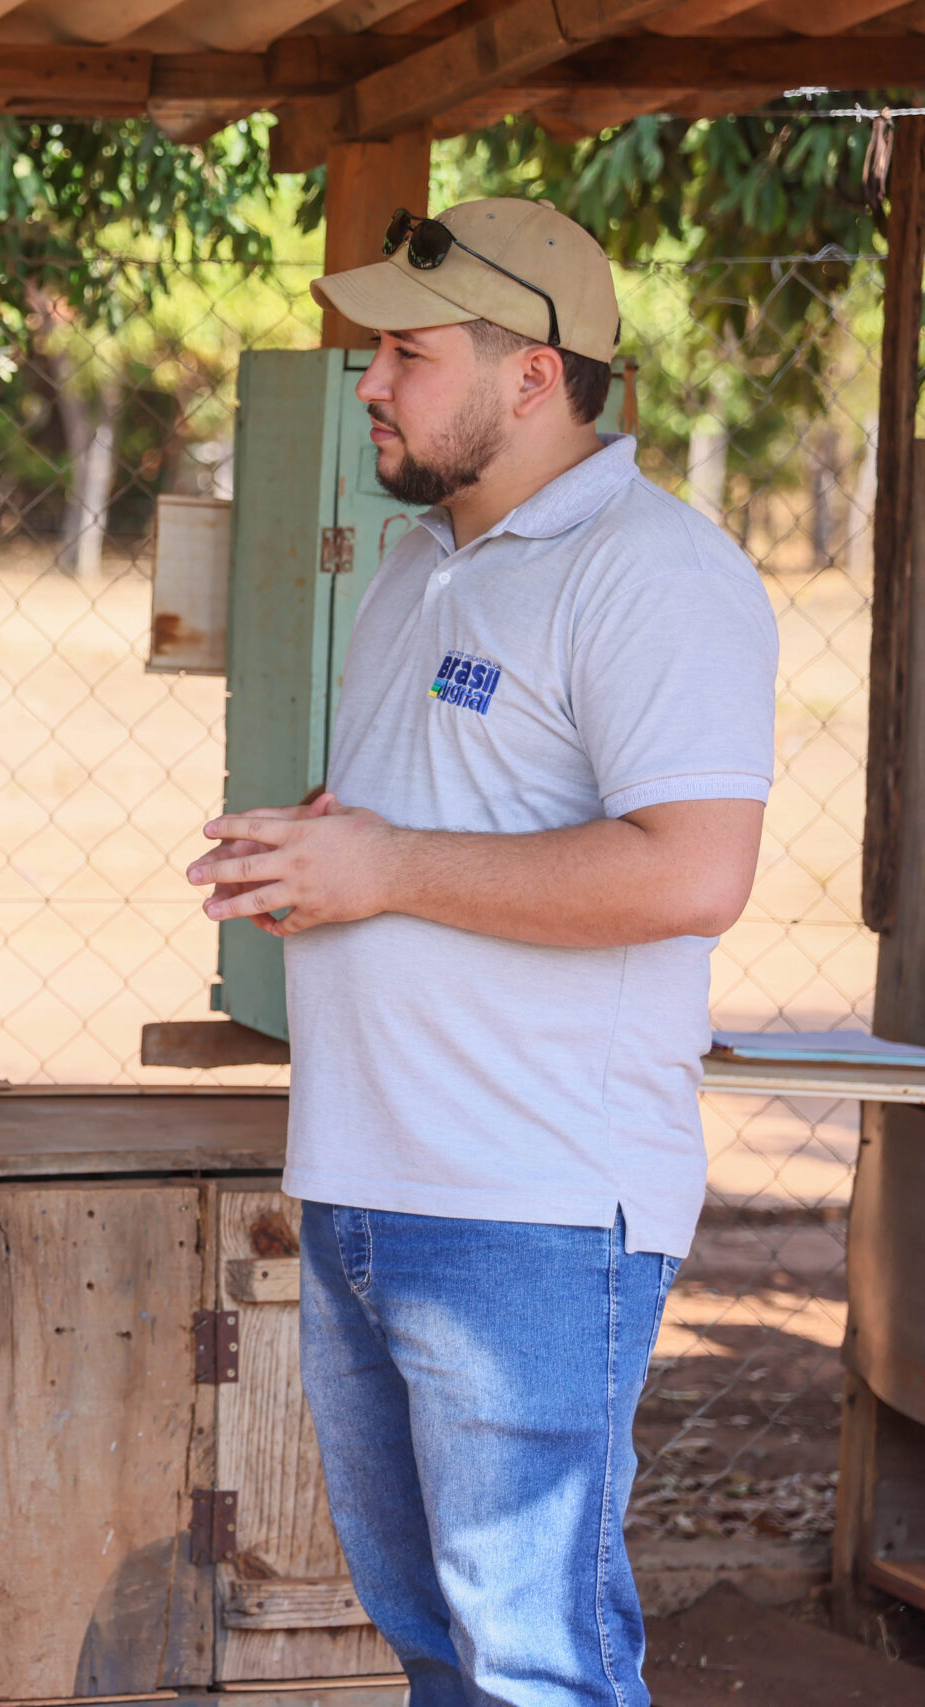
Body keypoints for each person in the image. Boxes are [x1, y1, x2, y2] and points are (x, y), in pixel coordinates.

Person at [182, 200, 778, 1706]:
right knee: (442, 1645)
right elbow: (450, 836)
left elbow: (696, 872)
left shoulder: (652, 571)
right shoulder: (419, 563)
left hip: (534, 1200)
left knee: (534, 1662)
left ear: (535, 375)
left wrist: (380, 864)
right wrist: (326, 853)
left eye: (405, 350)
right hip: (371, 1176)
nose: (368, 381)